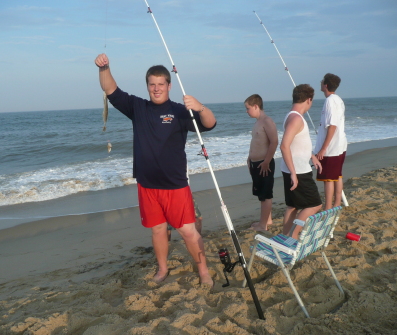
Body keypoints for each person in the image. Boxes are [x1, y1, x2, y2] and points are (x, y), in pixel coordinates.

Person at [94, 54, 216, 286]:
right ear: (148, 86)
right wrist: (105, 67)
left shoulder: (181, 111)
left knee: (188, 232)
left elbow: (210, 124)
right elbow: (111, 90)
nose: (157, 88)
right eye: (152, 84)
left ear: (169, 86)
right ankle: (162, 269)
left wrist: (200, 107)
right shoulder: (137, 107)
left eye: (161, 84)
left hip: (175, 185)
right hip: (147, 184)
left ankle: (203, 272)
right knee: (158, 230)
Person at [280, 84, 322, 240]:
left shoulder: (292, 116)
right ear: (309, 100)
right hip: (298, 171)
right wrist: (293, 173)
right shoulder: (296, 118)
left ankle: (285, 237)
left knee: (293, 206)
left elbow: (296, 144)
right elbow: (284, 145)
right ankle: (293, 235)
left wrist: (312, 155)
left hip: (293, 169)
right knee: (314, 205)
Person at [244, 94, 279, 231]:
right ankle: (267, 220)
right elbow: (257, 143)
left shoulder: (267, 121)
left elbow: (274, 141)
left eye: (248, 108)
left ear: (256, 106)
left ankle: (262, 225)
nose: (246, 111)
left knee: (265, 195)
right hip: (255, 163)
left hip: (264, 164)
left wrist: (266, 161)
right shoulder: (257, 123)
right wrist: (249, 157)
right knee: (261, 194)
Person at [314, 73, 347, 210]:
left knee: (328, 178)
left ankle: (329, 207)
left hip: (332, 148)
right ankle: (337, 203)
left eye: (322, 81)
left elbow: (332, 126)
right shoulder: (337, 99)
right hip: (339, 145)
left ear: (326, 85)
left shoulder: (331, 101)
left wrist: (323, 149)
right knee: (337, 175)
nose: (320, 83)